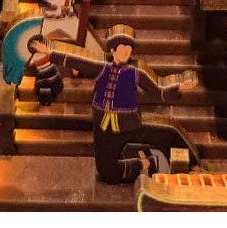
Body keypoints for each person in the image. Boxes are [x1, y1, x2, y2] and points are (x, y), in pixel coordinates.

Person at [31, 25, 200, 184]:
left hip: (129, 125)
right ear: (112, 50)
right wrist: (50, 50)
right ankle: (146, 163)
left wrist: (179, 86)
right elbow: (77, 58)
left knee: (169, 132)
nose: (126, 51)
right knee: (107, 173)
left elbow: (158, 88)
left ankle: (193, 166)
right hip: (103, 126)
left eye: (129, 48)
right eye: (122, 47)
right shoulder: (101, 66)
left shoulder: (137, 70)